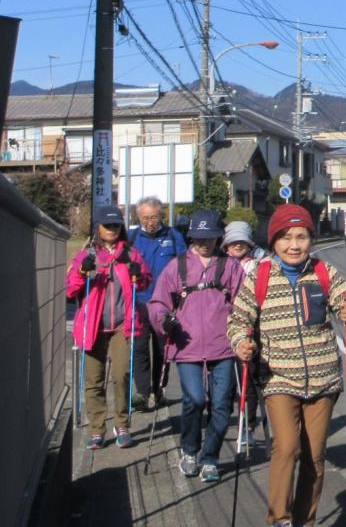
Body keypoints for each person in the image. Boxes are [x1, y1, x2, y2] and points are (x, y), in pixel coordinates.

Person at [228, 204, 346, 527]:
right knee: (287, 446)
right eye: (286, 237)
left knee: (314, 458)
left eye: (301, 237)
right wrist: (241, 343)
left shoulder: (323, 273)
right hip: (277, 379)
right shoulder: (259, 277)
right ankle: (279, 519)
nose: (294, 245)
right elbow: (237, 321)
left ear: (311, 240)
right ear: (274, 240)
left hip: (323, 381)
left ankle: (306, 521)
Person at [148, 209, 245, 483]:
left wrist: (245, 331)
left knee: (222, 405)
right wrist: (163, 321)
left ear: (219, 237)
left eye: (210, 237)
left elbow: (244, 303)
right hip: (186, 346)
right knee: (194, 399)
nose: (204, 242)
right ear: (191, 236)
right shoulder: (177, 266)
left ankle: (210, 458)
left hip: (224, 346)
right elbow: (158, 303)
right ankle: (190, 451)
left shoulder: (231, 267)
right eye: (199, 237)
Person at [67, 205, 151, 450]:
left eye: (116, 225)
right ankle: (96, 429)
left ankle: (122, 424)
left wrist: (138, 274)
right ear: (98, 228)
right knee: (93, 379)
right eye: (107, 225)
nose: (112, 230)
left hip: (122, 325)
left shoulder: (131, 254)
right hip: (92, 326)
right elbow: (71, 288)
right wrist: (83, 273)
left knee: (122, 374)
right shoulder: (87, 255)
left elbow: (144, 283)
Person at [128, 196, 187, 411]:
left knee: (163, 349)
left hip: (166, 303)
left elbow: (184, 266)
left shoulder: (174, 236)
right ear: (139, 217)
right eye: (145, 218)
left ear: (161, 215)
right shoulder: (132, 237)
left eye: (154, 217)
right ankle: (143, 393)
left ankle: (159, 389)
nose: (150, 222)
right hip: (139, 302)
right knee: (140, 348)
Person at [222, 220, 268, 443]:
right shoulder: (218, 263)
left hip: (253, 328)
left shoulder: (261, 264)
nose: (237, 245)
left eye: (242, 240)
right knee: (226, 382)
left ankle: (247, 425)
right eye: (233, 241)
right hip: (222, 330)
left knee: (248, 378)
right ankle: (225, 421)